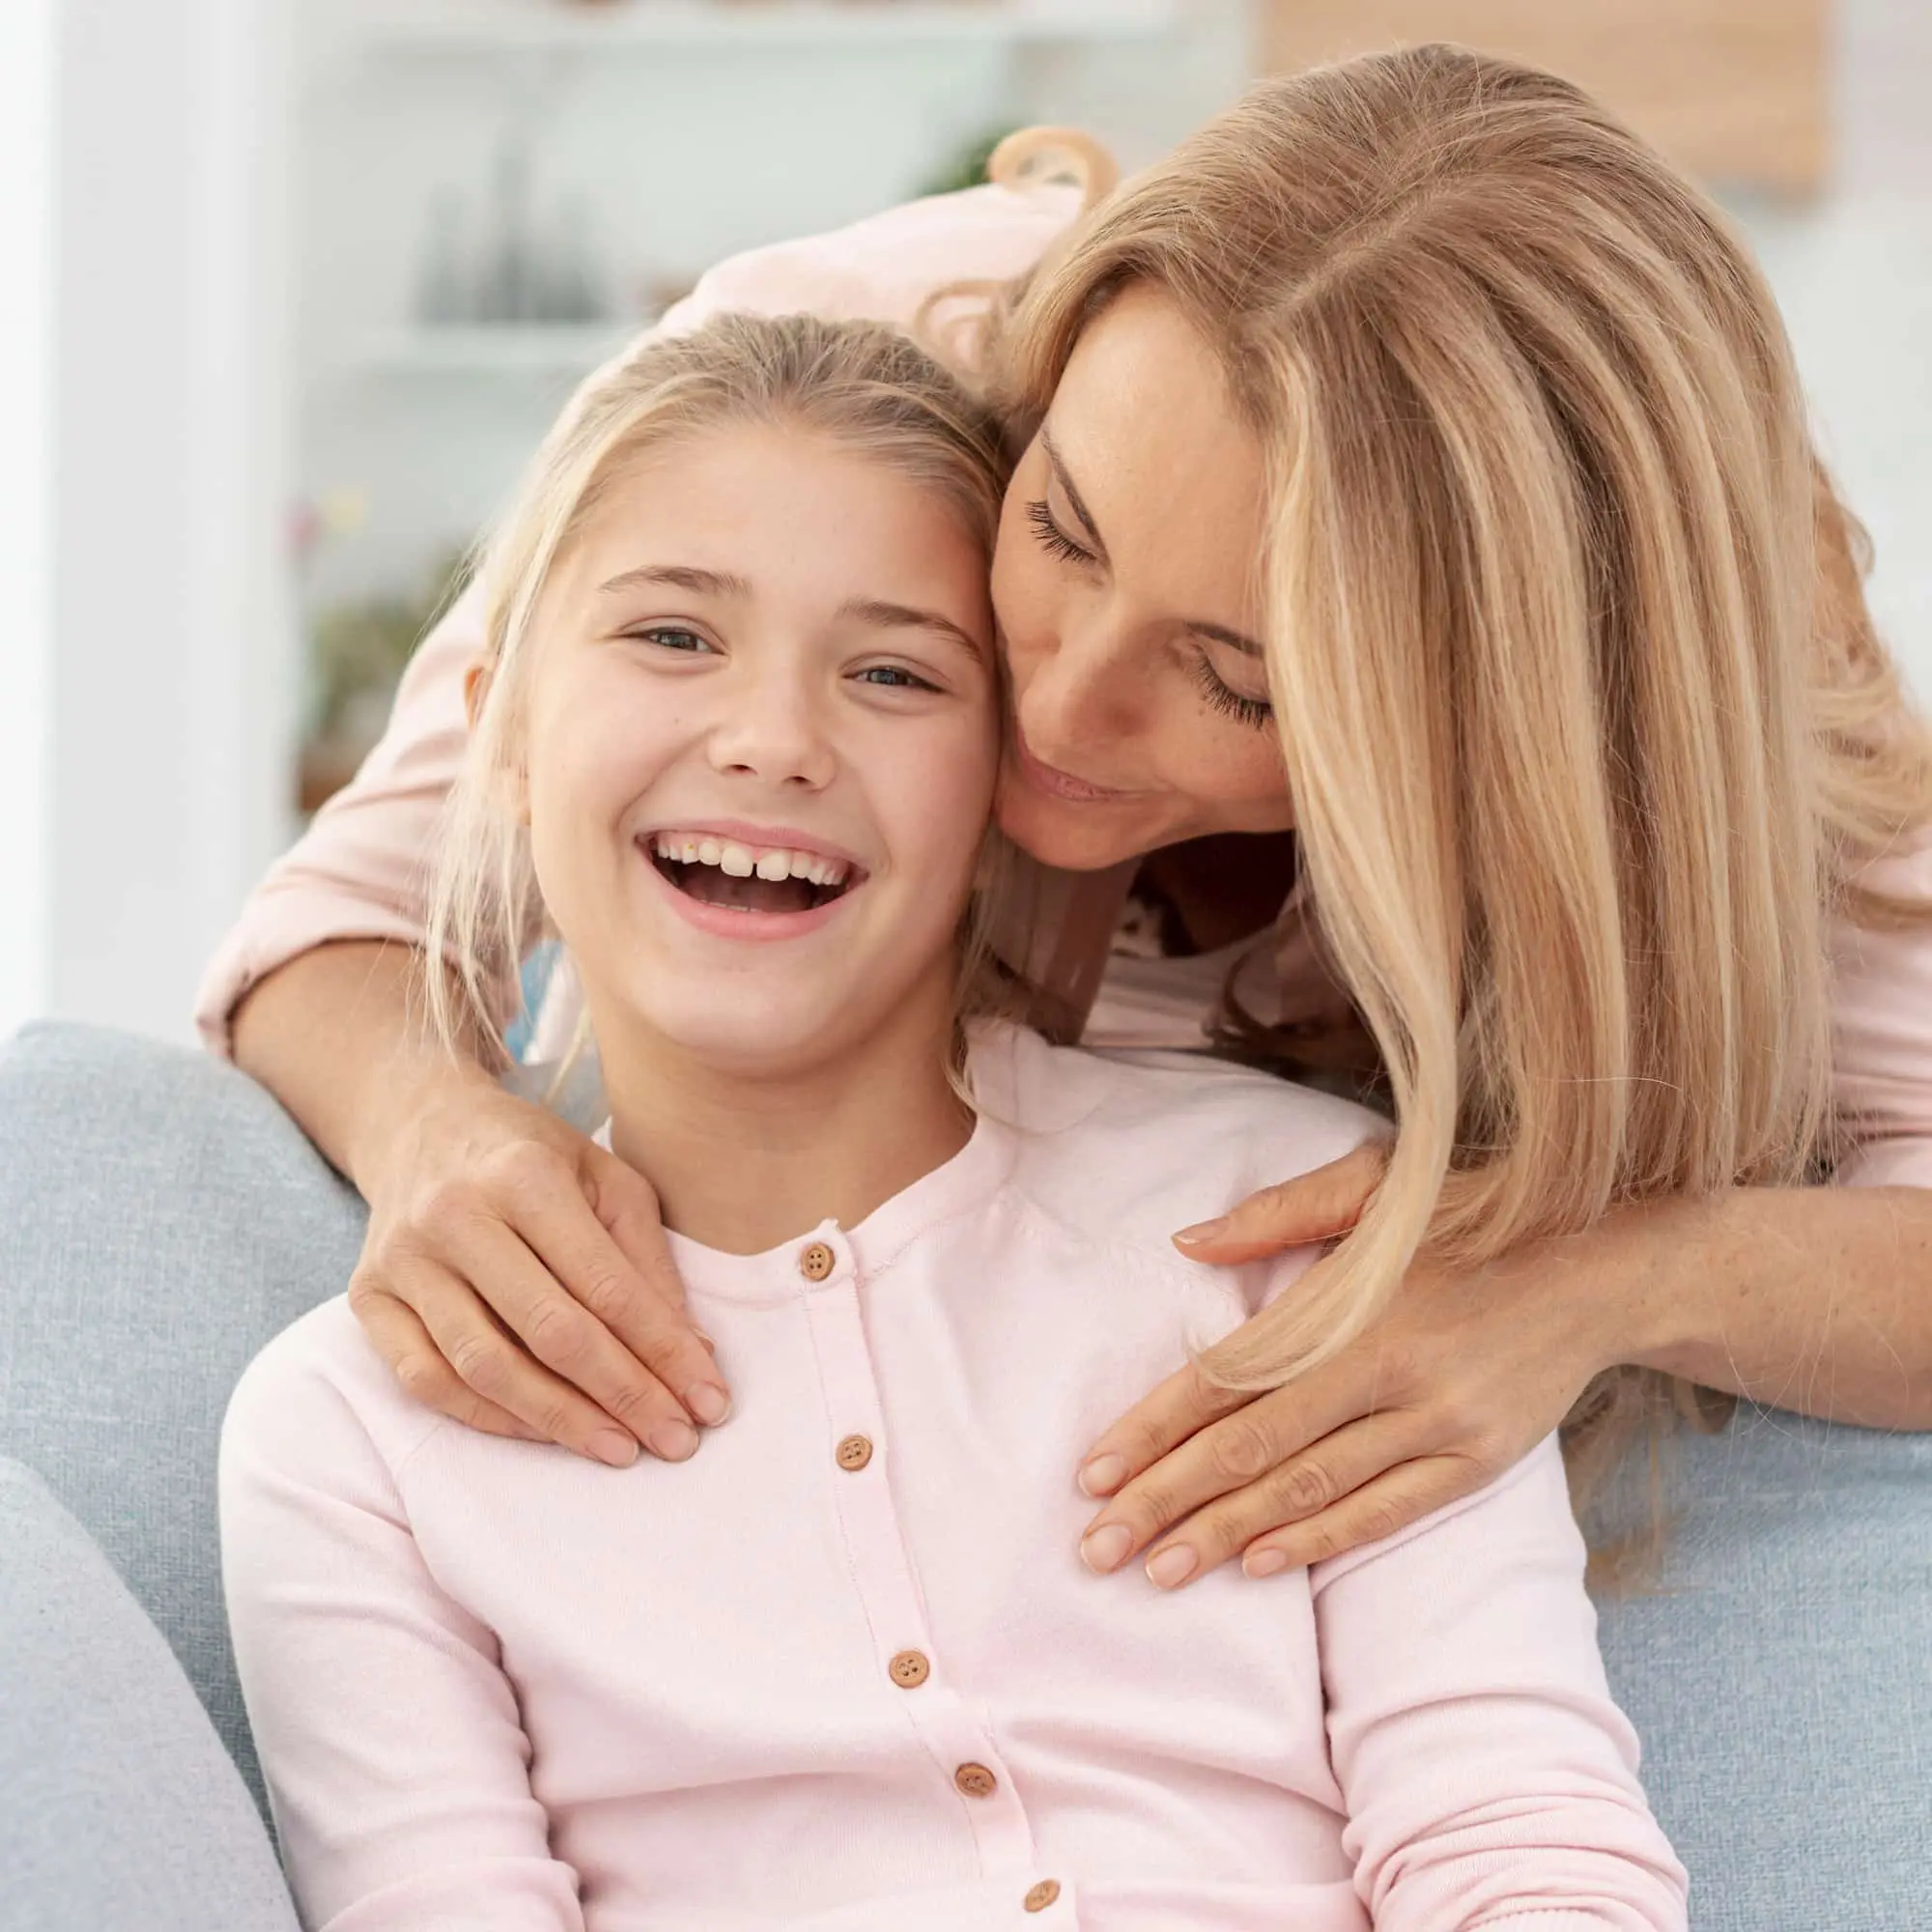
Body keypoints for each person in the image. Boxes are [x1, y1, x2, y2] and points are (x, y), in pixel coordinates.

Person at [204, 45, 1932, 1593]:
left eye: (1241, 682)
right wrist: (433, 1124)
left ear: (1504, 743)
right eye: (1062, 531)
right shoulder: (841, 373)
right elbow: (333, 922)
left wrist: (1614, 1280)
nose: (1059, 703)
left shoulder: (1745, 682)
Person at [219, 307, 1688, 1932]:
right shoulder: (354, 1436)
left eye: (895, 673)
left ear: (1008, 786)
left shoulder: (1294, 1225)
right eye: (672, 638)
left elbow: (1525, 1850)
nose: (772, 738)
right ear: (496, 732)